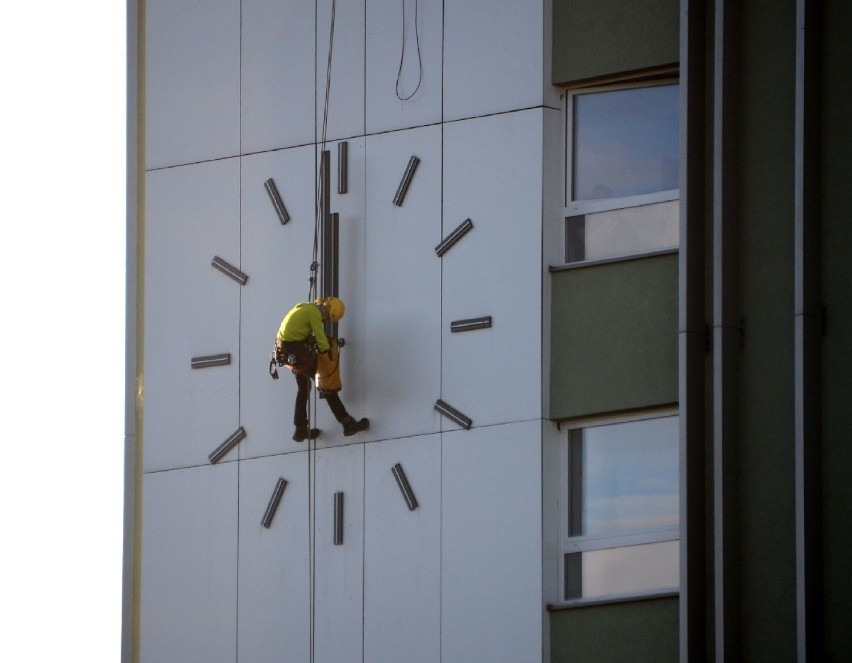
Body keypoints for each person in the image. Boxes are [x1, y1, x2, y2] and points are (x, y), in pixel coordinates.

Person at [276, 296, 369, 442]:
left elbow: (298, 332)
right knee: (327, 387)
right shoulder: (314, 313)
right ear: (327, 310)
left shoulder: (303, 307)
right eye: (326, 318)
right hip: (297, 352)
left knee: (303, 388)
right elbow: (320, 338)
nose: (324, 320)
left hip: (288, 353)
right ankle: (347, 423)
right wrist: (329, 354)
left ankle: (300, 429)